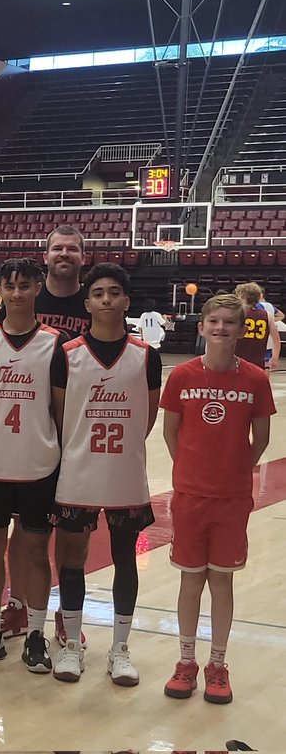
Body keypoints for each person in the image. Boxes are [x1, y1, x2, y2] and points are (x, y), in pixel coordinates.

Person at [50, 263, 161, 687]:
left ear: (126, 301)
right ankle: (72, 645)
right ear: (88, 303)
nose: (107, 299)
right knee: (71, 559)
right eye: (98, 293)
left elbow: (148, 415)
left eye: (114, 292)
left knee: (125, 559)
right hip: (78, 471)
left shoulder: (146, 355)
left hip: (124, 472)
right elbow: (60, 414)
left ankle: (120, 648)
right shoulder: (67, 353)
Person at [161, 292, 275, 706]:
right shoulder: (182, 375)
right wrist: (190, 469)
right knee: (190, 579)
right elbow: (170, 431)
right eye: (214, 321)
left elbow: (261, 439)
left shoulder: (255, 379)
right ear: (202, 327)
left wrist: (234, 470)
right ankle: (186, 661)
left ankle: (218, 665)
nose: (221, 328)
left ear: (241, 330)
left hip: (231, 498)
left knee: (221, 580)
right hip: (190, 495)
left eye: (229, 322)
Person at [0, 257, 64, 674]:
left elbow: (61, 411)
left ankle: (36, 633)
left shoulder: (56, 343)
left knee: (36, 552)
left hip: (39, 462)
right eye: (10, 286)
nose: (17, 293)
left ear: (38, 287)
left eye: (24, 285)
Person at [0, 224, 89, 643]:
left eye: (72, 248)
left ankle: (68, 615)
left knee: (73, 534)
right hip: (29, 433)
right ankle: (18, 605)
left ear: (83, 256)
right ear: (45, 256)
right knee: (24, 531)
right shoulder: (27, 296)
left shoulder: (93, 300)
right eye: (57, 248)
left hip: (79, 429)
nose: (64, 254)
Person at [234, 282, 280, 371]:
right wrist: (275, 357)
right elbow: (276, 339)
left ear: (243, 296)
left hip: (238, 358)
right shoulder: (268, 315)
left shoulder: (237, 313)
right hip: (258, 359)